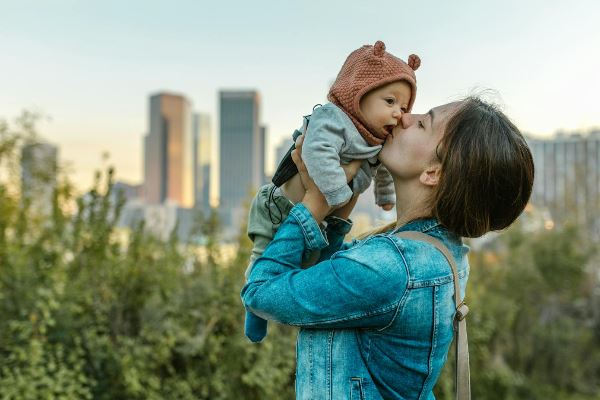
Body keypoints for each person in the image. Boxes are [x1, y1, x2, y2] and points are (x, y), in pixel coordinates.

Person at [241, 97, 534, 399]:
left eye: (423, 124)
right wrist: (340, 211)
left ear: (433, 173)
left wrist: (313, 206)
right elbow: (323, 285)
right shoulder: (440, 253)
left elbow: (259, 292)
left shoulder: (391, 267)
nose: (406, 117)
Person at [245, 40, 421, 342]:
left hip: (323, 217)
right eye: (390, 102)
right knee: (263, 255)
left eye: (403, 107)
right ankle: (253, 310)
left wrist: (386, 197)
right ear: (358, 93)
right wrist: (339, 193)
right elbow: (317, 153)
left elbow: (382, 173)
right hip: (282, 208)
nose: (398, 114)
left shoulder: (375, 141)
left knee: (316, 266)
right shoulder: (332, 118)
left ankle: (285, 304)